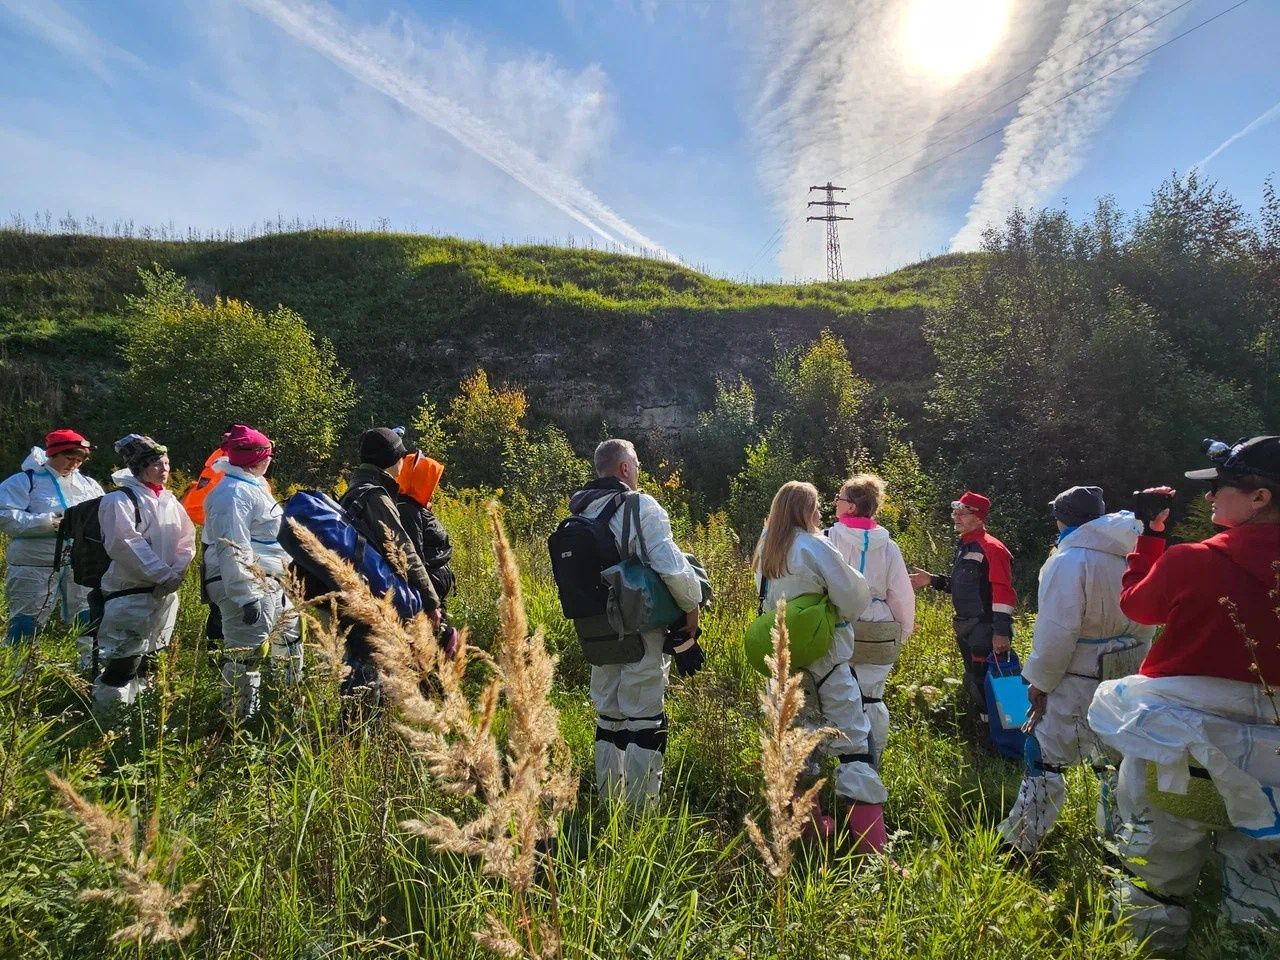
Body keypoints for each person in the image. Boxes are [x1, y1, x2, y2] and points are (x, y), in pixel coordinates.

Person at [1089, 437, 1280, 954]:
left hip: (1182, 747)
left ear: (1259, 497)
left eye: (1221, 486)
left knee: (1155, 871)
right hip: (1272, 756)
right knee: (1263, 885)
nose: (1210, 496)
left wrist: (1150, 538)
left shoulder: (1192, 560)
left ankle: (1149, 947)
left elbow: (1139, 606)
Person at [997, 486, 1152, 854]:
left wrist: (1039, 682)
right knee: (1114, 762)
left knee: (1043, 756)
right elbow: (1148, 621)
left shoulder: (1070, 560)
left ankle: (1021, 842)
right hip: (1124, 674)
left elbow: (1057, 631)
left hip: (1075, 675)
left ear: (1063, 518)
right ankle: (1118, 844)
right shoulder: (1135, 556)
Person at [756, 481, 889, 850]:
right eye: (815, 506)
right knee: (855, 747)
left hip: (784, 664)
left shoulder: (766, 548)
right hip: (827, 661)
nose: (820, 513)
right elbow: (854, 598)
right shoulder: (815, 546)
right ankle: (873, 850)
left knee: (797, 750)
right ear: (803, 510)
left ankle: (811, 834)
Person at [569, 438, 702, 805]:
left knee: (609, 716)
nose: (638, 470)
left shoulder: (580, 510)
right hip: (638, 626)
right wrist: (692, 607)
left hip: (595, 629)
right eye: (637, 464)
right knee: (644, 718)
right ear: (625, 468)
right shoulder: (638, 505)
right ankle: (641, 812)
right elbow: (670, 566)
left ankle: (608, 802)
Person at [201, 425, 302, 718]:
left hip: (273, 583)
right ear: (258, 457)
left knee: (290, 643)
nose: (270, 459)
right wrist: (247, 595)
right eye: (268, 454)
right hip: (250, 586)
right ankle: (238, 721)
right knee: (246, 656)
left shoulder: (252, 486)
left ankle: (285, 712)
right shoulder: (232, 494)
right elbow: (232, 548)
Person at [93, 435, 196, 710]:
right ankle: (110, 721)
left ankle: (142, 717)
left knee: (151, 662)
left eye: (167, 463)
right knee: (123, 664)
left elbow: (187, 541)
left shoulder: (170, 502)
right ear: (138, 467)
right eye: (156, 464)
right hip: (129, 593)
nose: (164, 469)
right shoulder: (119, 500)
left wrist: (176, 573)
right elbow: (126, 543)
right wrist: (164, 575)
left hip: (164, 595)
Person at [338, 427, 441, 699]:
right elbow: (404, 551)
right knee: (369, 673)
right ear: (391, 460)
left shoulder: (355, 490)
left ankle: (359, 720)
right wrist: (431, 602)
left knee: (361, 665)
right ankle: (361, 722)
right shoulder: (377, 497)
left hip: (354, 590)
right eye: (401, 457)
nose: (403, 462)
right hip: (372, 596)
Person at [825, 473, 915, 768]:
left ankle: (842, 761)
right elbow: (901, 594)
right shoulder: (888, 546)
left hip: (839, 624)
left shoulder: (829, 539)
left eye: (839, 498)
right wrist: (901, 633)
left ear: (851, 506)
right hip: (878, 627)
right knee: (872, 698)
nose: (835, 503)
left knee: (835, 695)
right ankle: (871, 762)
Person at [0, 429, 104, 670]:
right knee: (25, 621)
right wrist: (50, 522)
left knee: (88, 616)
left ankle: (91, 670)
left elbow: (104, 515)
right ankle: (19, 676)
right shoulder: (24, 481)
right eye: (69, 458)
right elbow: (4, 516)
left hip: (80, 565)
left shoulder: (88, 485)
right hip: (33, 565)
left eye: (79, 460)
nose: (74, 464)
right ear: (53, 454)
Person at [909, 491, 1016, 722]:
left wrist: (1000, 631)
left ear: (979, 517)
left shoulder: (992, 548)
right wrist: (933, 580)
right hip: (968, 628)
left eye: (963, 513)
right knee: (976, 681)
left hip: (986, 629)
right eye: (955, 512)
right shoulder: (966, 545)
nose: (956, 517)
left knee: (996, 681)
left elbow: (1003, 592)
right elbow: (966, 586)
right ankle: (986, 729)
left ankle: (1009, 731)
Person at [397, 449, 458, 656]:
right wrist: (431, 601)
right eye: (431, 481)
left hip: (433, 590)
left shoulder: (415, 507)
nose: (434, 487)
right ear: (420, 482)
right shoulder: (408, 511)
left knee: (442, 644)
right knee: (432, 647)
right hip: (428, 592)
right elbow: (414, 557)